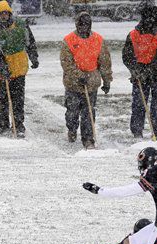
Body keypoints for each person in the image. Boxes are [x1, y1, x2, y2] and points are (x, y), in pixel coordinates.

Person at [60, 11, 112, 149]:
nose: (84, 27)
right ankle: (72, 129)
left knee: (89, 112)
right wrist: (78, 75)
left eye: (86, 25)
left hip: (91, 83)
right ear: (77, 25)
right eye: (81, 25)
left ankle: (88, 138)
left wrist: (107, 80)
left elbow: (105, 62)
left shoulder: (98, 40)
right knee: (72, 112)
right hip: (73, 84)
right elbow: (66, 63)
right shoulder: (69, 40)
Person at [0, 0, 38, 138]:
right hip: (2, 72)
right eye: (1, 14)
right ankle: (3, 124)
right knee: (3, 99)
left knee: (18, 99)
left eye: (6, 13)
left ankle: (18, 124)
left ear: (9, 13)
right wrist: (2, 68)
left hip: (19, 69)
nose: (4, 16)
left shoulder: (21, 25)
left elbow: (30, 42)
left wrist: (34, 57)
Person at [122, 5, 157, 141]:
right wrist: (135, 70)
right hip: (139, 76)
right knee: (138, 104)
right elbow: (127, 56)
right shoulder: (133, 35)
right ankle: (137, 132)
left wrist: (146, 71)